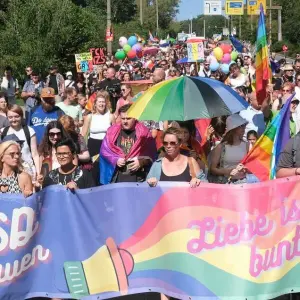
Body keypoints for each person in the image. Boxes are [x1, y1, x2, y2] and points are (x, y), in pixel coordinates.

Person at [100, 104, 156, 184]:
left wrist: (142, 161)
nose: (125, 121)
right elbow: (104, 151)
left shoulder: (144, 133)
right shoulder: (111, 132)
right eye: (123, 118)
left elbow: (152, 154)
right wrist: (115, 159)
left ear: (134, 117)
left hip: (137, 178)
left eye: (128, 118)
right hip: (117, 177)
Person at [82, 91, 115, 183]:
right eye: (99, 102)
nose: (101, 104)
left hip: (106, 145)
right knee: (94, 170)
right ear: (95, 104)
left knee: (106, 170)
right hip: (93, 145)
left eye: (103, 102)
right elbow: (82, 134)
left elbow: (115, 134)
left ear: (106, 103)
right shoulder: (89, 117)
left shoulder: (111, 116)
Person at [1, 105, 40, 180]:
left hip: (27, 169)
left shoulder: (29, 131)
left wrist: (38, 172)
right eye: (10, 117)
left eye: (16, 116)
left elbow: (35, 154)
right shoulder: (3, 132)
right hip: (9, 171)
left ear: (21, 116)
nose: (13, 119)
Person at [210, 114, 249, 184]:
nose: (244, 128)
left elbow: (251, 167)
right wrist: (227, 171)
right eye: (241, 126)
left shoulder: (247, 145)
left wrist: (245, 169)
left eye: (244, 125)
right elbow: (212, 169)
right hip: (226, 183)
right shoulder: (221, 146)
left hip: (244, 183)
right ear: (233, 128)